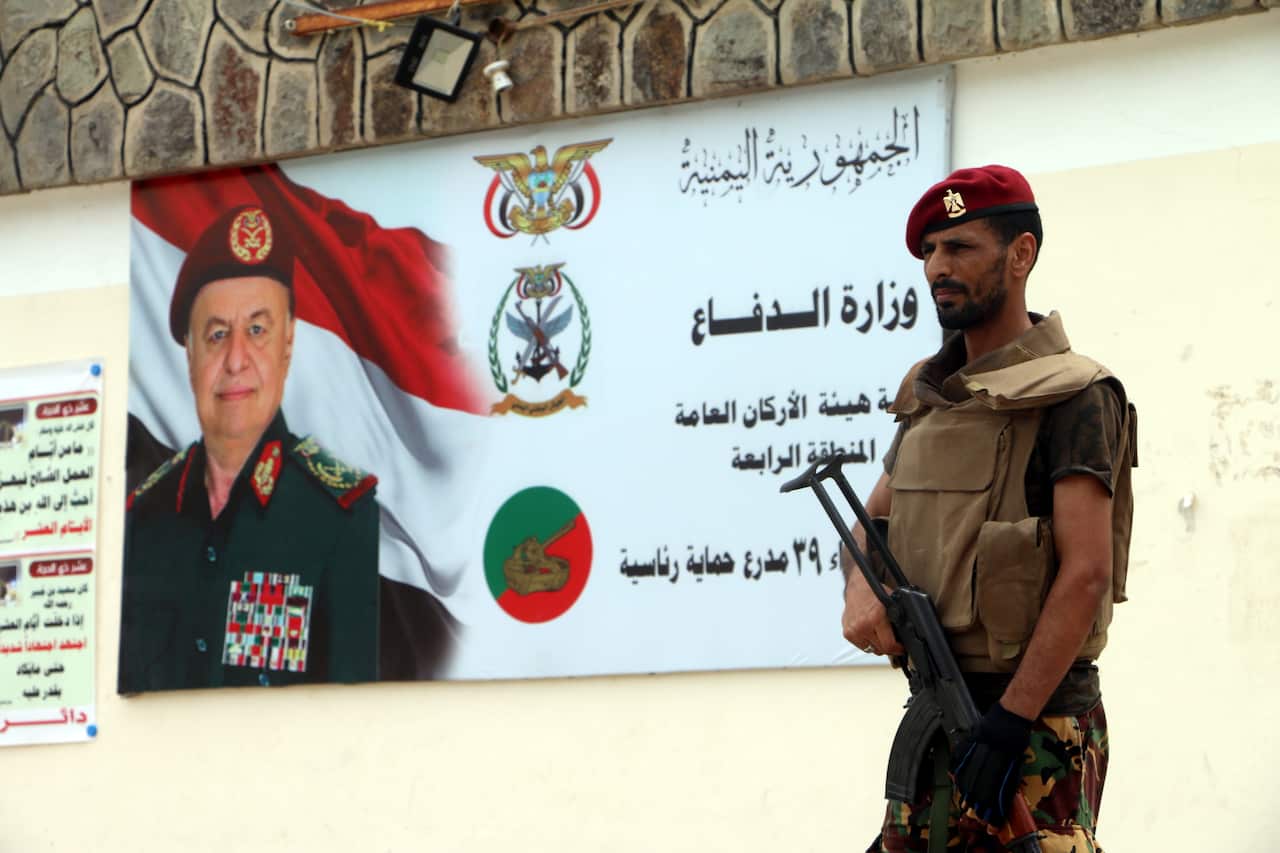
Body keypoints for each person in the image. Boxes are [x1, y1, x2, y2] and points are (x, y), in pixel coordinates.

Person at [842, 165, 1137, 852]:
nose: (938, 268)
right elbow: (867, 524)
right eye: (929, 252)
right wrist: (861, 590)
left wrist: (1009, 723)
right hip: (938, 714)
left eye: (960, 248)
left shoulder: (1075, 395)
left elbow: (1086, 572)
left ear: (1020, 254)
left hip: (1035, 725)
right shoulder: (930, 395)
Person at [118, 205, 381, 693]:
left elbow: (354, 713)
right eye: (217, 335)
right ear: (190, 355)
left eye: (257, 331)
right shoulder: (144, 515)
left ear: (288, 345)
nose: (236, 360)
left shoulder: (340, 516)